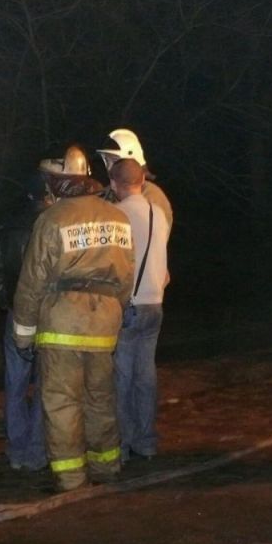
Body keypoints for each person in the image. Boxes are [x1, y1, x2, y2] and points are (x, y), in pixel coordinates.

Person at [13, 145, 135, 491]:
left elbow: (32, 280)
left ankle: (70, 477)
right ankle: (107, 467)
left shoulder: (52, 219)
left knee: (62, 401)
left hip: (62, 325)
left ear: (58, 182)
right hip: (105, 322)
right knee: (101, 398)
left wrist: (23, 333)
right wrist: (117, 310)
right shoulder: (118, 217)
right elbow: (127, 274)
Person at [0, 174, 51, 471]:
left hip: (16, 315)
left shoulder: (5, 226)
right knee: (44, 383)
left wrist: (7, 303)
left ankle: (17, 450)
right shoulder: (54, 225)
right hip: (48, 315)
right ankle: (37, 451)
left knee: (15, 382)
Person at [108, 158, 170, 463]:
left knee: (121, 376)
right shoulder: (157, 212)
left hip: (129, 307)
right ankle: (146, 441)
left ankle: (121, 444)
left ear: (113, 184)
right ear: (142, 181)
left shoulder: (116, 215)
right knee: (146, 375)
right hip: (155, 303)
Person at [97, 128, 173, 232]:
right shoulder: (106, 193)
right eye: (106, 160)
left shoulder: (152, 197)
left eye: (113, 160)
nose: (108, 166)